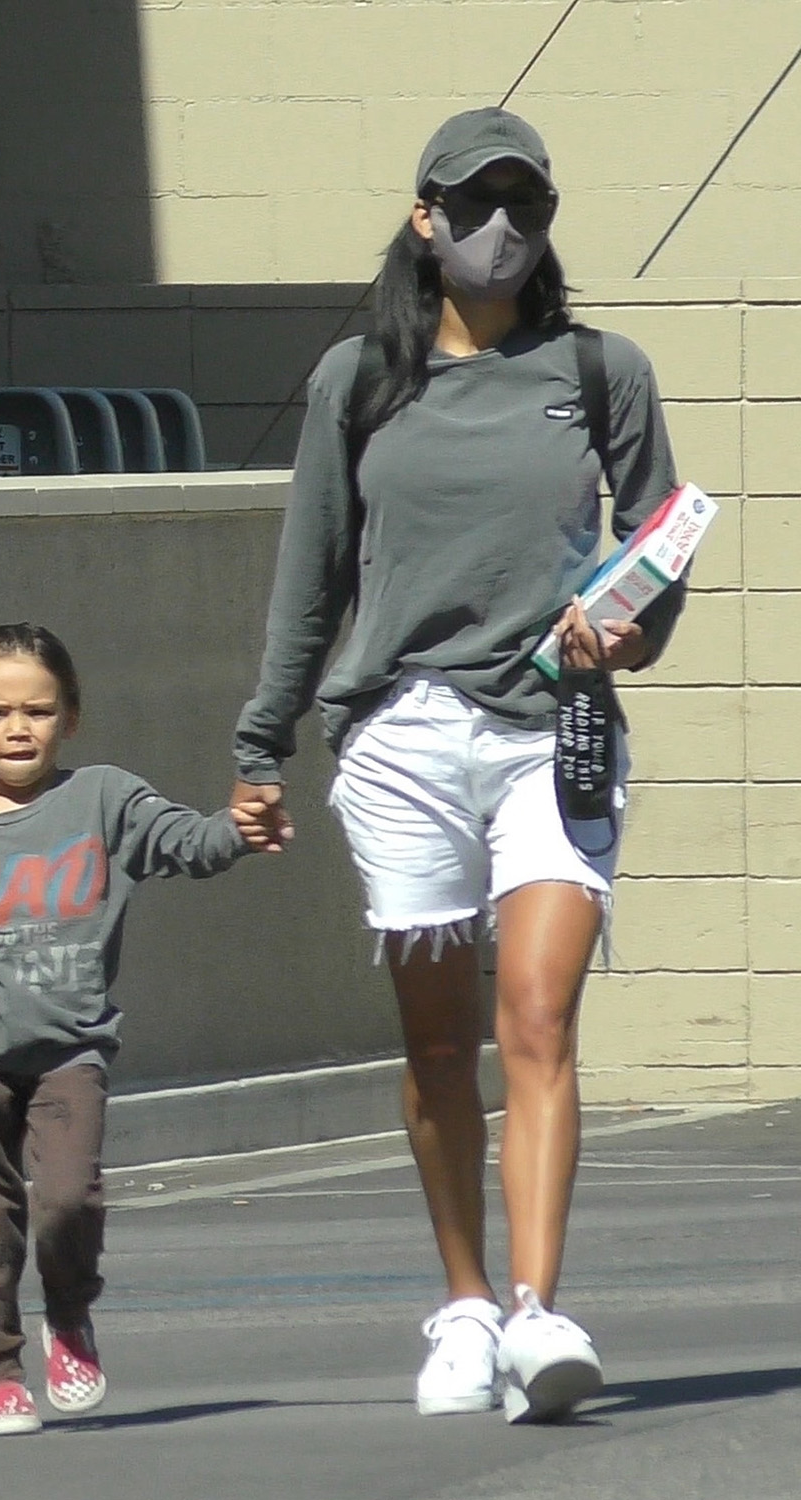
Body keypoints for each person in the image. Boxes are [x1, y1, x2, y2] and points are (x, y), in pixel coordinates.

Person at [231, 106, 686, 1423]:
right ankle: (467, 1305)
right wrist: (262, 742)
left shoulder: (603, 373)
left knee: (536, 1016)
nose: (503, 230)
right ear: (424, 220)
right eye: (475, 205)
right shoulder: (356, 381)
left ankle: (541, 1317)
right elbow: (309, 574)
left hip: (557, 728)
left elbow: (660, 546)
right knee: (438, 1046)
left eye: (527, 207)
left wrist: (626, 623)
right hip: (407, 735)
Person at [0, 622, 277, 1437]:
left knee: (66, 1197)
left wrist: (236, 829)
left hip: (72, 1051)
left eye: (38, 709)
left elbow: (183, 842)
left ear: (71, 716)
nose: (19, 727)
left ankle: (68, 1320)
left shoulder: (103, 798)